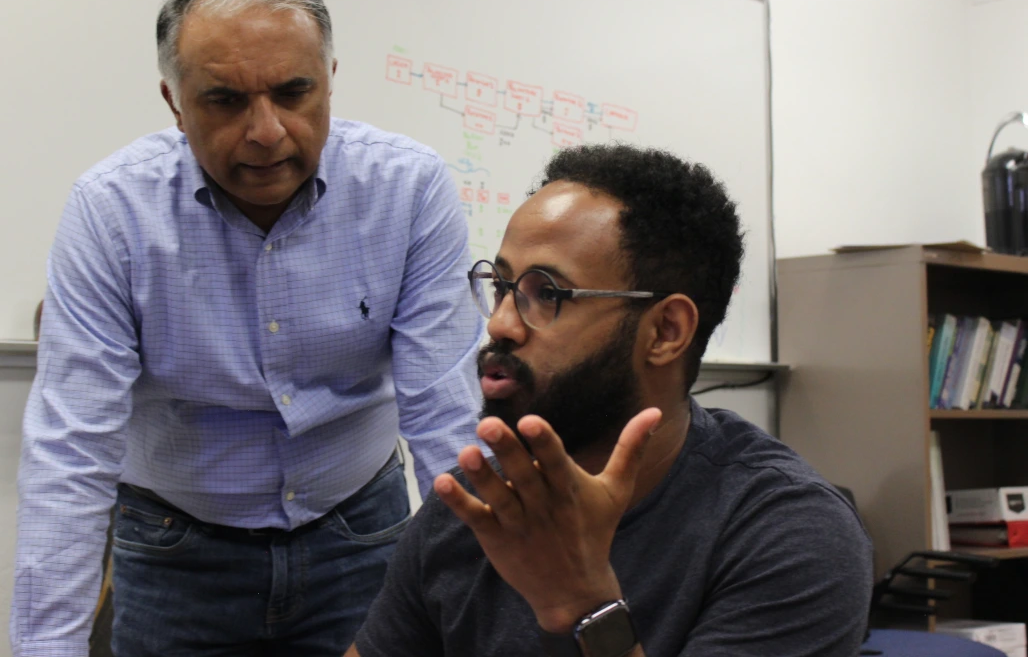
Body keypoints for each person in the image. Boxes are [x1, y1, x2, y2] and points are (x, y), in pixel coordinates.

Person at [10, 0, 484, 657]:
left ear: (330, 80)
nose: (267, 131)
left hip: (359, 530)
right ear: (175, 102)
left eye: (295, 93)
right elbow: (71, 449)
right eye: (225, 100)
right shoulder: (113, 211)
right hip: (177, 544)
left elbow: (447, 420)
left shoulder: (408, 189)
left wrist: (480, 618)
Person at [349, 144, 873, 657]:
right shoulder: (473, 504)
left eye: (546, 293)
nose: (500, 323)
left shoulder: (788, 533)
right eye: (502, 285)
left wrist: (584, 605)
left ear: (665, 331)